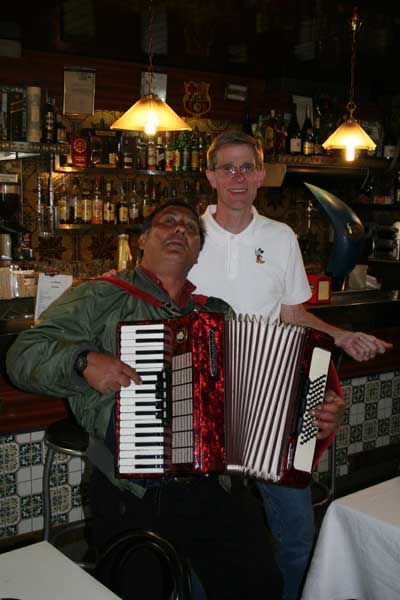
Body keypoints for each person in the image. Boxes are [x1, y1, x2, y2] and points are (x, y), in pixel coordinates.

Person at [6, 200, 284, 600]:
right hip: (132, 491)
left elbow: (262, 392)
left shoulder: (218, 314)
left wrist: (303, 414)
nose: (179, 231)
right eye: (167, 224)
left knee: (260, 586)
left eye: (190, 229)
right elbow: (23, 354)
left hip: (216, 488)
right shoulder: (100, 295)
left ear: (197, 252)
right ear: (142, 241)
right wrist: (82, 361)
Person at [188, 130, 393, 600]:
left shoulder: (280, 238)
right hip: (204, 400)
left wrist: (343, 335)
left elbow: (293, 313)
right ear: (210, 175)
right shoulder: (185, 234)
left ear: (261, 174)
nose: (237, 177)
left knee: (297, 532)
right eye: (227, 168)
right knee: (201, 535)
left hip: (272, 399)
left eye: (246, 167)